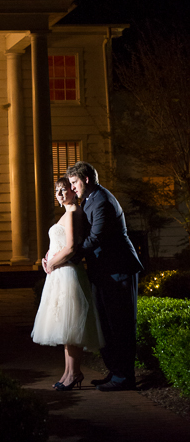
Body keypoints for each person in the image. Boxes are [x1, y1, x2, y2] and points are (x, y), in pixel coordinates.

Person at [66, 161, 143, 392]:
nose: (72, 188)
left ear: (86, 179)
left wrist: (71, 257)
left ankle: (124, 378)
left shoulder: (102, 201)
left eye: (74, 182)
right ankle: (115, 372)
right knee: (107, 326)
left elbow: (95, 237)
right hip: (103, 272)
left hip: (118, 271)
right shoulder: (90, 199)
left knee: (120, 325)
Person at [31, 176, 104, 391]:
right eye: (57, 191)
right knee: (65, 326)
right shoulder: (65, 213)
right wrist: (48, 257)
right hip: (58, 272)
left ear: (73, 191)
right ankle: (68, 372)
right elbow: (60, 242)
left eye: (64, 190)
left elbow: (72, 247)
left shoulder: (73, 213)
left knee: (71, 325)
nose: (60, 194)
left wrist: (52, 262)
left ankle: (74, 373)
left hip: (68, 273)